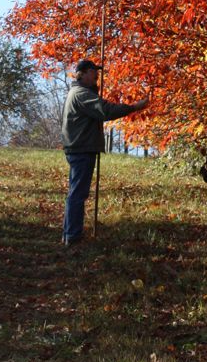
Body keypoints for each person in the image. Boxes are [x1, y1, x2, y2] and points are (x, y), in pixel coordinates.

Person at [61, 58, 150, 247]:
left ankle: (70, 234)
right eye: (93, 71)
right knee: (77, 194)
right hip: (81, 149)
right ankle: (72, 236)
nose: (97, 75)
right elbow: (105, 110)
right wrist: (134, 107)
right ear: (82, 73)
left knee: (75, 192)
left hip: (79, 148)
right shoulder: (81, 94)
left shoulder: (80, 93)